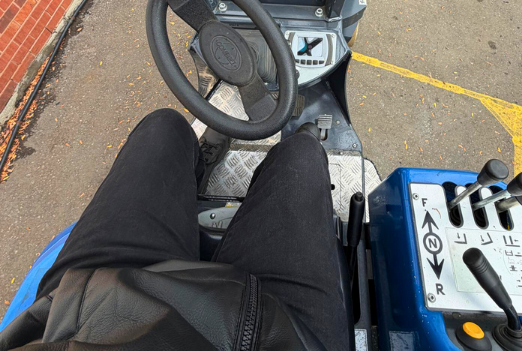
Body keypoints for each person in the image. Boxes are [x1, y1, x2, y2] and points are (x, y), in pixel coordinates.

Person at [0, 109, 352, 351]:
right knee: (301, 158)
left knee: (164, 125)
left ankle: (191, 179)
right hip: (279, 332)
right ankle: (293, 151)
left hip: (91, 311)